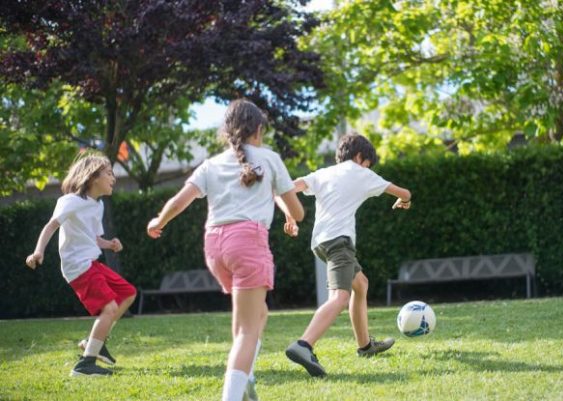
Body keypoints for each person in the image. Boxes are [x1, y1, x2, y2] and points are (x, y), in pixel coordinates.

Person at [146, 99, 304, 401]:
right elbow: (297, 211)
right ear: (258, 129)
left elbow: (181, 200)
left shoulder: (212, 163)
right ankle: (232, 395)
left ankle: (246, 377)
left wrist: (159, 219)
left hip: (215, 246)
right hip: (248, 243)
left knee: (257, 314)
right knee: (248, 328)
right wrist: (290, 212)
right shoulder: (269, 158)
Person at [283, 133, 411, 378]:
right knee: (340, 297)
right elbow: (405, 192)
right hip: (339, 242)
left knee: (360, 284)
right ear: (360, 156)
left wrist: (290, 216)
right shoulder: (362, 173)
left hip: (320, 243)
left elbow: (289, 188)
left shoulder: (322, 173)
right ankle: (303, 345)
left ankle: (365, 346)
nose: (367, 168)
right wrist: (402, 202)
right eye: (367, 163)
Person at [25, 153, 136, 377]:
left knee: (128, 293)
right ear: (93, 176)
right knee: (110, 308)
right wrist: (38, 251)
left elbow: (93, 238)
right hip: (77, 266)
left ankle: (95, 342)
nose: (113, 178)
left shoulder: (98, 205)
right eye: (109, 173)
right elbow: (51, 226)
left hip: (91, 261)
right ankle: (85, 365)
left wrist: (110, 244)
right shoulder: (70, 201)